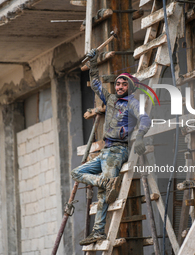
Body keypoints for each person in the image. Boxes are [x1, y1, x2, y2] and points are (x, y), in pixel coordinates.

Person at [71, 49, 151, 246]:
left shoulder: (132, 102)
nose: (120, 86)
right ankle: (104, 182)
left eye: (124, 84)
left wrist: (139, 137)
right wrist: (93, 64)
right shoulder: (112, 99)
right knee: (76, 172)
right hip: (105, 151)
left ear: (130, 87)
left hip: (117, 151)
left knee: (102, 194)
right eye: (118, 83)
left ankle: (98, 232)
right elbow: (96, 84)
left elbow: (145, 119)